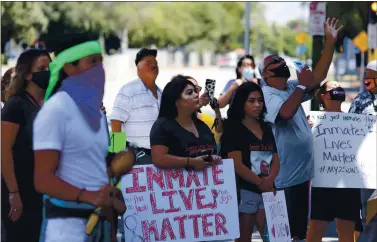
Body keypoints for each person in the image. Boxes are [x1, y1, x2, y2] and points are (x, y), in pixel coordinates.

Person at [33, 33, 125, 242]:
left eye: (100, 62)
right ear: (69, 68)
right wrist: (89, 197)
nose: (99, 68)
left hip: (100, 226)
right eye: (92, 62)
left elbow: (100, 167)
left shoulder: (98, 114)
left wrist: (113, 197)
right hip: (66, 230)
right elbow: (42, 180)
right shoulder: (55, 111)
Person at [259, 18, 343, 241]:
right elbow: (285, 113)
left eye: (281, 60)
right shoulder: (268, 94)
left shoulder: (289, 88)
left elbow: (318, 77)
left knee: (297, 233)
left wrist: (330, 43)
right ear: (266, 75)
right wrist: (304, 85)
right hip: (284, 179)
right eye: (274, 62)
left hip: (301, 175)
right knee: (284, 234)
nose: (281, 63)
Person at [1, 49, 51, 242]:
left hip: (43, 194)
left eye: (49, 67)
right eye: (42, 68)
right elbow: (3, 150)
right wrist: (13, 193)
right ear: (28, 75)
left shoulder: (47, 104)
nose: (47, 72)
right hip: (20, 192)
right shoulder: (16, 105)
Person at [220, 82, 279, 242]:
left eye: (260, 100)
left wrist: (270, 180)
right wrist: (261, 183)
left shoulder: (266, 127)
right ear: (241, 102)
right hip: (244, 191)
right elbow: (236, 164)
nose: (257, 105)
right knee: (243, 238)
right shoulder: (233, 128)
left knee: (274, 237)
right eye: (251, 101)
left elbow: (275, 158)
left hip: (268, 190)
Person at [306, 80, 361, 242]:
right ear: (322, 96)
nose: (337, 89)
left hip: (348, 183)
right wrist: (308, 130)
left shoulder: (355, 122)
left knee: (346, 228)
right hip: (323, 181)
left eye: (339, 87)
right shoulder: (311, 120)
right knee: (316, 226)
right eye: (332, 88)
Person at [150, 75, 221, 170]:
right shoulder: (162, 126)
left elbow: (211, 153)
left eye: (196, 91)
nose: (196, 95)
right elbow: (158, 159)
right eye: (189, 93)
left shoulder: (203, 126)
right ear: (176, 102)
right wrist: (190, 162)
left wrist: (214, 158)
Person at [110, 48, 161, 154]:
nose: (154, 65)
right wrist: (116, 152)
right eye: (149, 62)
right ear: (138, 69)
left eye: (156, 63)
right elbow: (116, 121)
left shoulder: (162, 93)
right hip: (136, 156)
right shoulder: (128, 90)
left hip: (159, 156)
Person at [349, 60, 377, 242]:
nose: (367, 79)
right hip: (368, 168)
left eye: (371, 76)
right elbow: (347, 130)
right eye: (365, 75)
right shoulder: (360, 100)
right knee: (371, 213)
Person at [186, 76, 223, 145]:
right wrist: (198, 105)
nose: (195, 94)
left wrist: (217, 111)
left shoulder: (206, 119)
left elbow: (218, 137)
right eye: (190, 91)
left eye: (196, 89)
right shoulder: (175, 120)